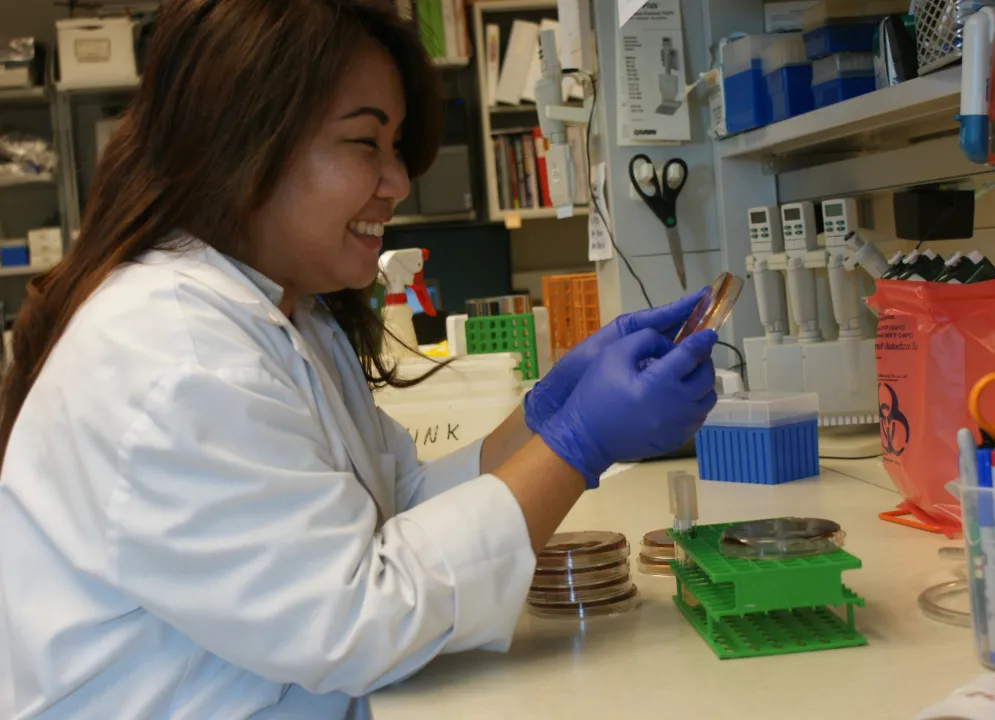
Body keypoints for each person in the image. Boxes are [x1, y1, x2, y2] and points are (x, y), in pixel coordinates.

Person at [0, 1, 718, 718]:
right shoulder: (174, 358)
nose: (397, 180)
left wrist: (545, 416)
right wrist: (578, 444)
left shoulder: (285, 315)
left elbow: (394, 500)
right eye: (363, 143)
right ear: (242, 139)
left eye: (396, 145)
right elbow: (361, 621)